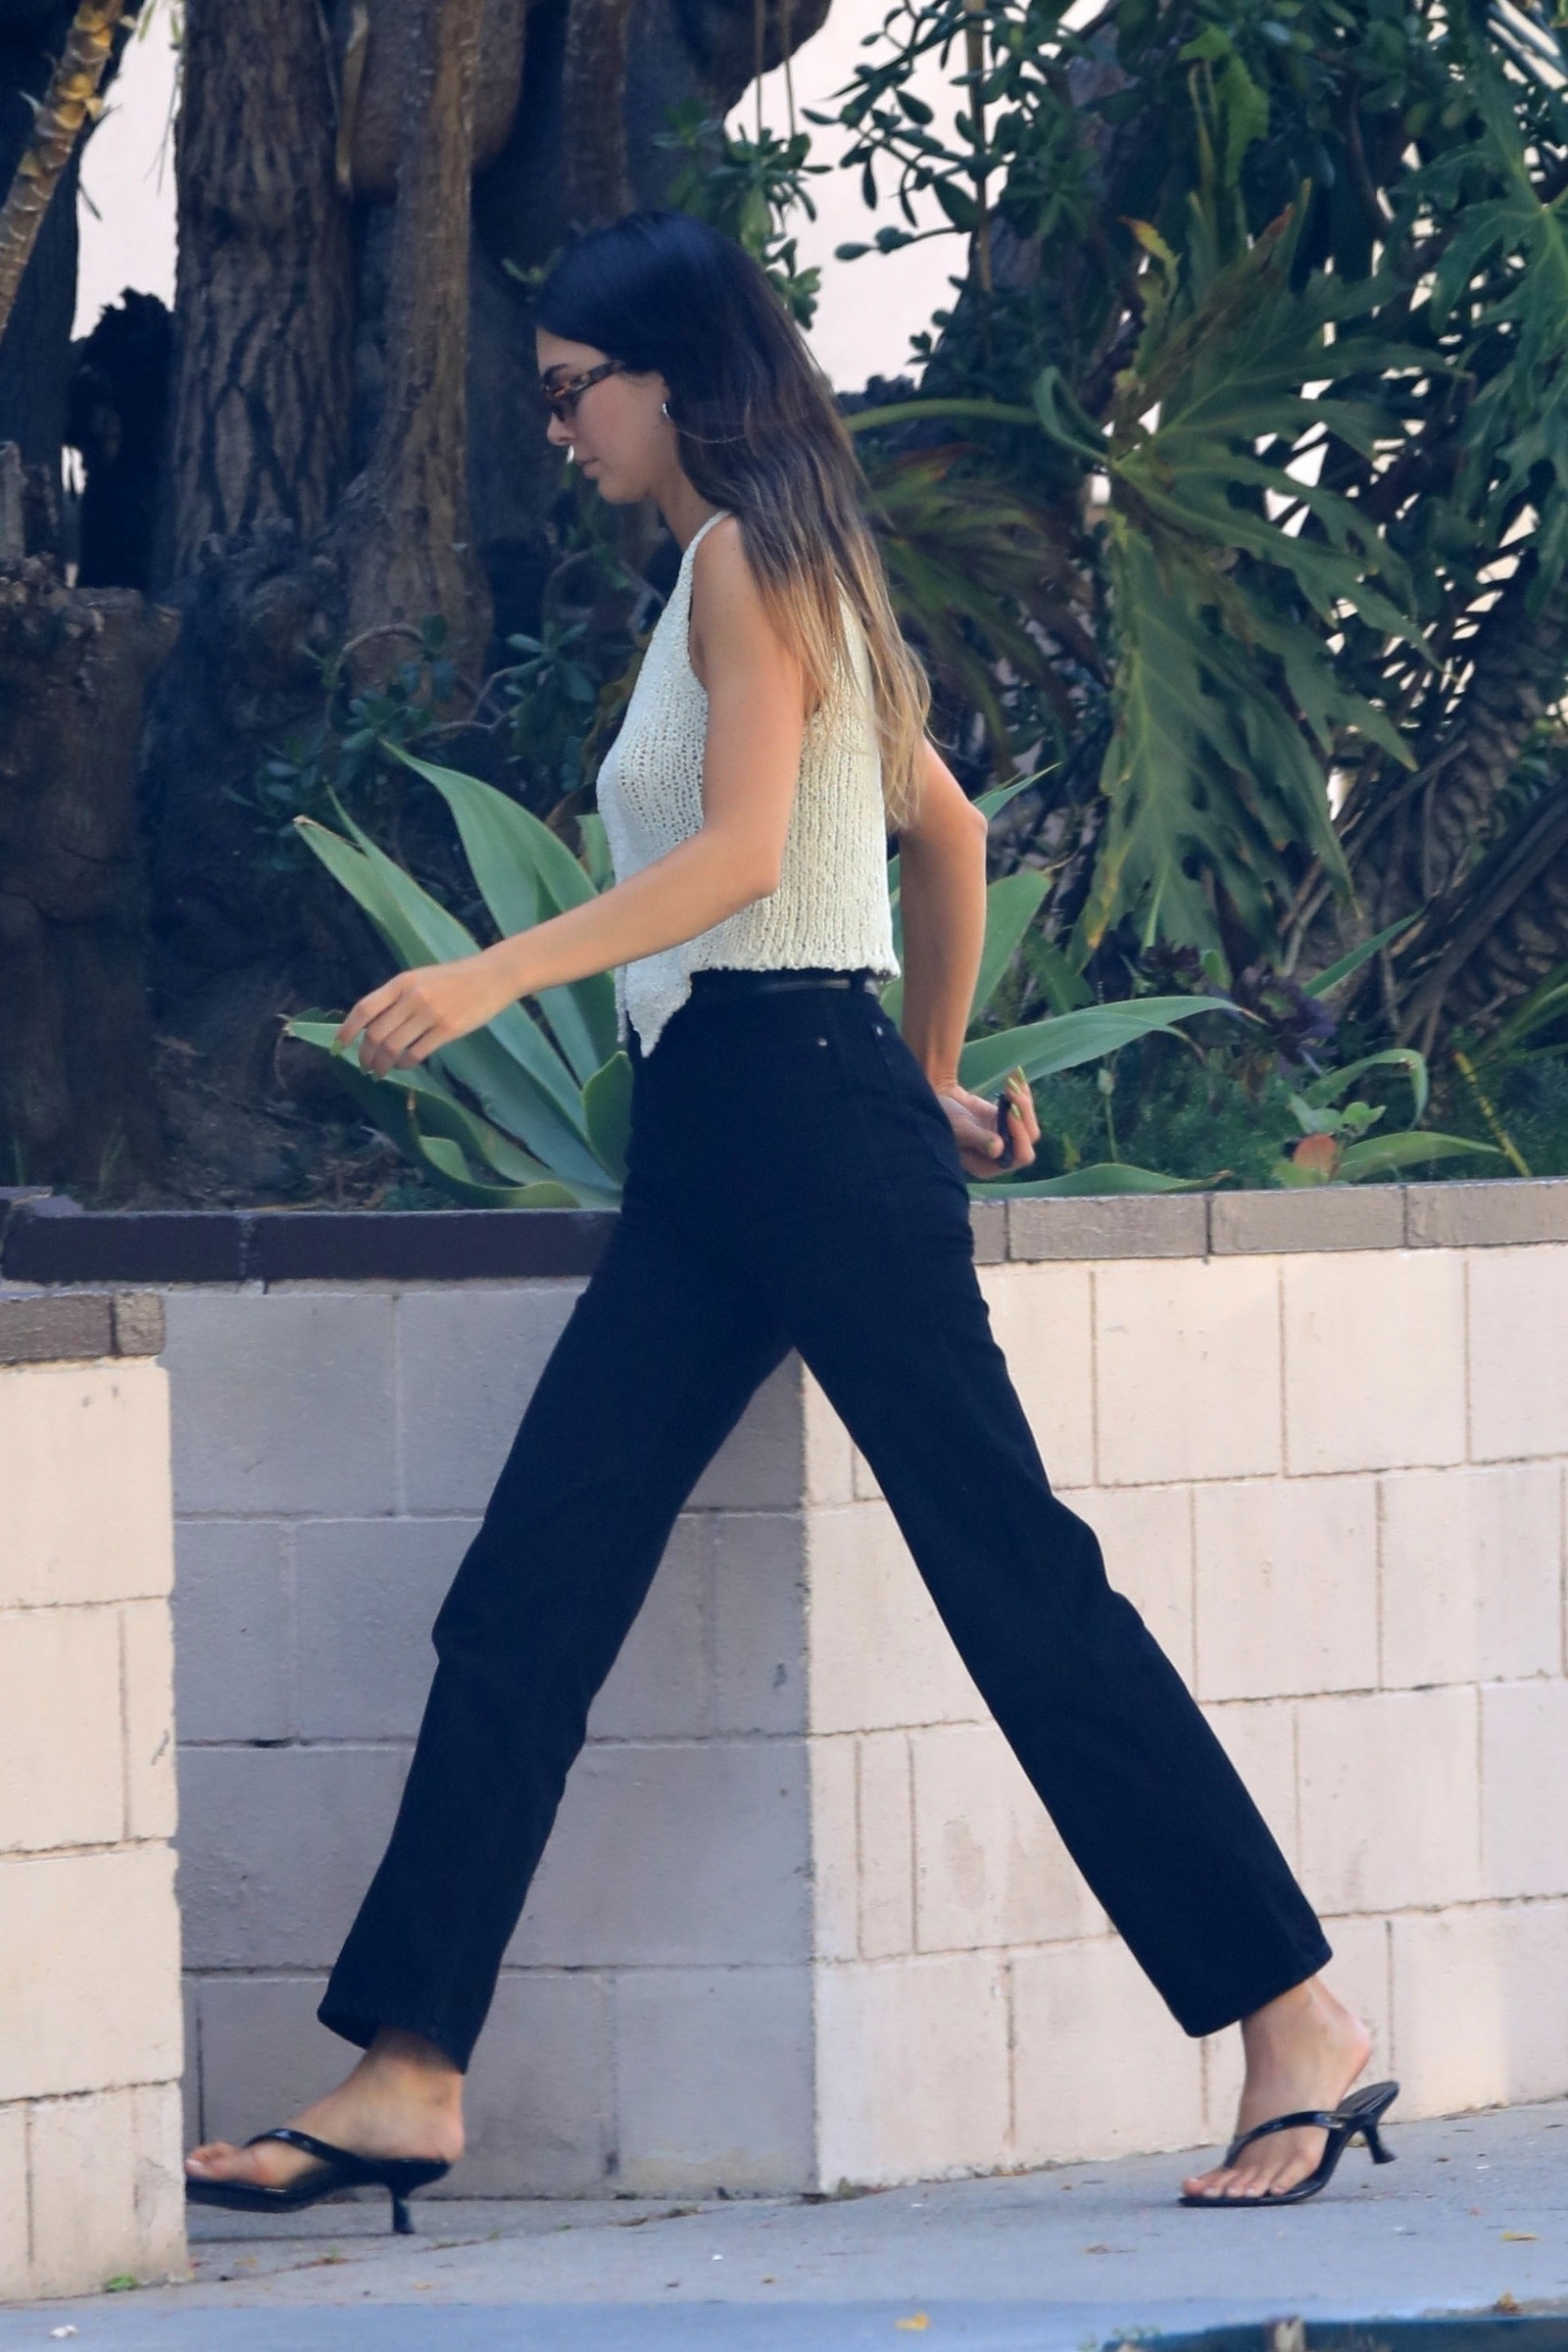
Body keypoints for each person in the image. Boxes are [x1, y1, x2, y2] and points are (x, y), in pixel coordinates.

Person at [184, 210, 1394, 2230]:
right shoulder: (753, 571)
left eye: (572, 393)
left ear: (672, 379)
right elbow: (942, 833)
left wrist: (497, 974)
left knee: (1013, 1579)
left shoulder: (756, 559)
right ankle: (406, 2069)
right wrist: (933, 1077)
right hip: (735, 1137)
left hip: (797, 1118)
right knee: (530, 1589)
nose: (558, 428)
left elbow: (754, 856)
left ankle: (1297, 2020)